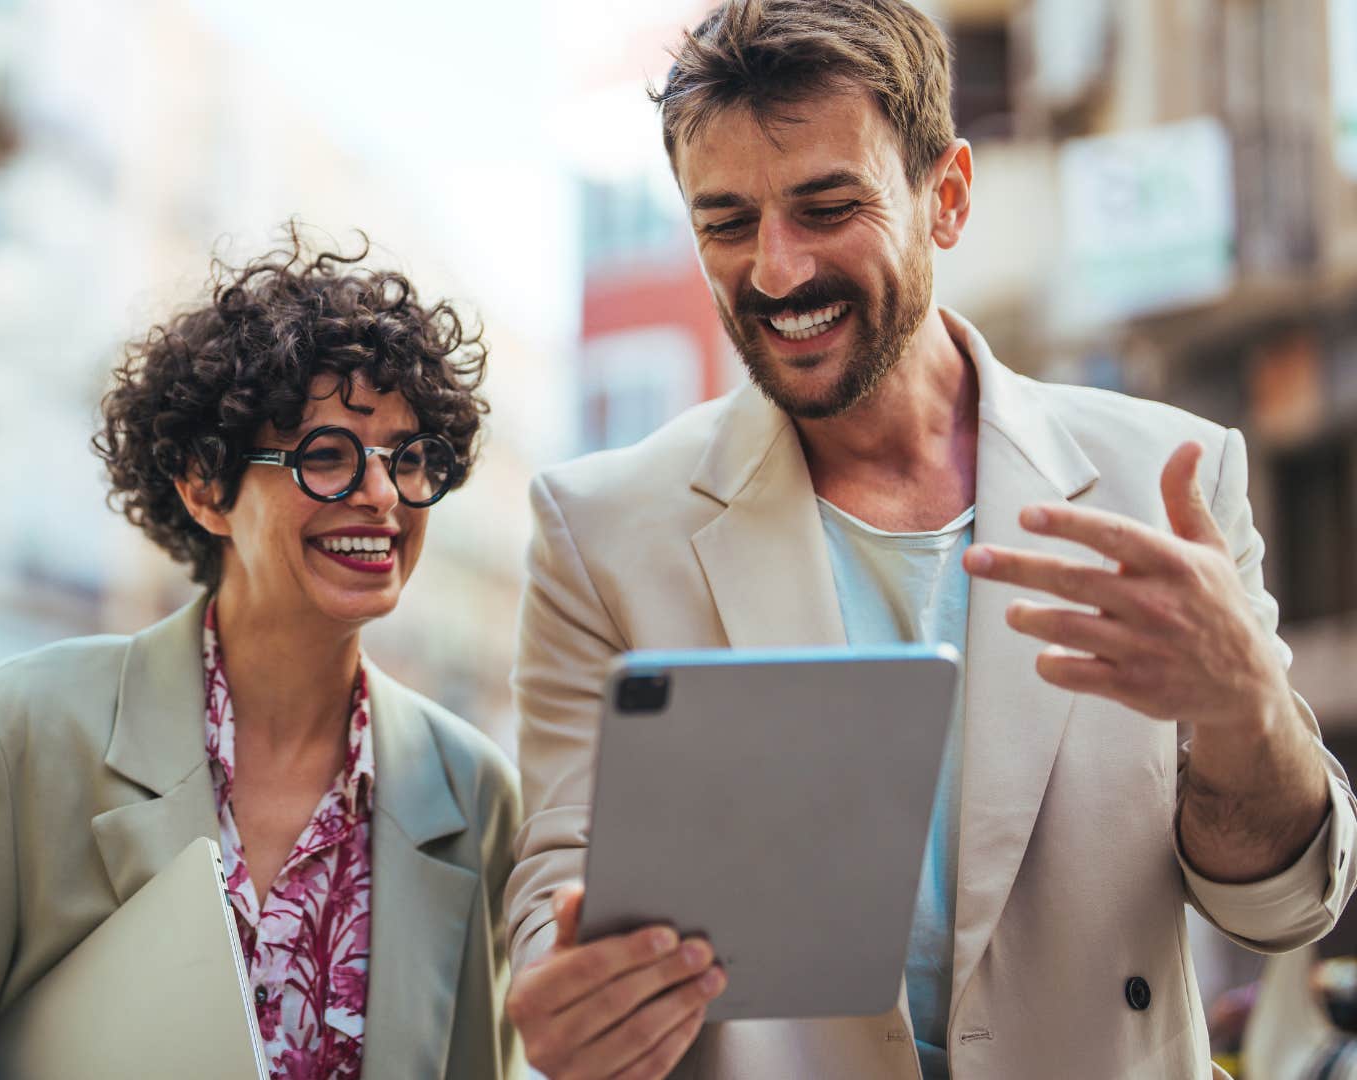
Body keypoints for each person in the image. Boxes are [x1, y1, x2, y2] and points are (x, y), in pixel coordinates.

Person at [500, 2, 1357, 1077]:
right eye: (726, 223)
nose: (775, 270)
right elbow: (555, 891)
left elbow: (1281, 905)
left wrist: (1243, 709)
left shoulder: (1169, 481)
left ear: (944, 197)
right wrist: (578, 997)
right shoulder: (600, 530)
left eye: (827, 205)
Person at [0, 229, 523, 1079]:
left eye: (410, 461)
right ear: (205, 486)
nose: (380, 497)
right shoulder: (15, 733)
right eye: (327, 456)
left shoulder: (473, 795)